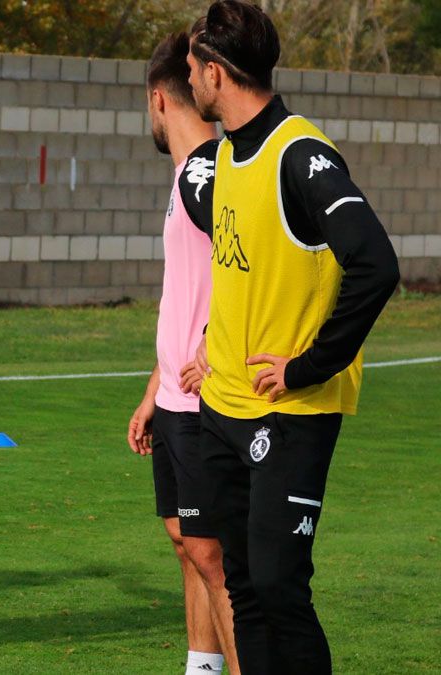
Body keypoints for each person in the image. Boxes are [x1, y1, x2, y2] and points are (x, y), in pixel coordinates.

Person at [186, 2, 400, 672]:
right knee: (244, 588)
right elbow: (241, 273)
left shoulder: (299, 154)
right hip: (223, 410)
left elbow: (377, 265)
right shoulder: (222, 157)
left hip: (292, 413)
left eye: (193, 67)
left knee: (280, 587)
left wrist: (309, 366)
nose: (189, 80)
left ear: (216, 74)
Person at [127, 31, 238, 675]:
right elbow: (188, 295)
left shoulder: (209, 176)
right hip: (173, 397)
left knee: (213, 553)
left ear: (159, 99)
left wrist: (211, 351)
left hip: (207, 400)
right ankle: (202, 668)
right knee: (185, 542)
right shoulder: (184, 179)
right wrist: (152, 391)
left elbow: (241, 277)